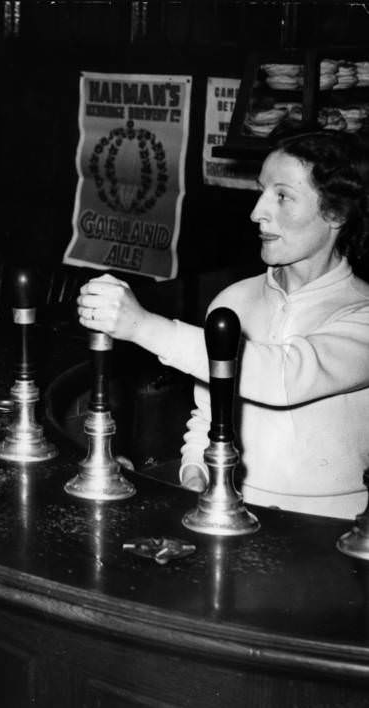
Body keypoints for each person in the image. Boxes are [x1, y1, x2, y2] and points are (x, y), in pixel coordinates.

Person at [76, 129, 369, 520]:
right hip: (231, 512)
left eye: (282, 196)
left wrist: (142, 325)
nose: (257, 212)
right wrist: (195, 472)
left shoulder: (362, 312)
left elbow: (283, 376)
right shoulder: (234, 301)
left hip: (330, 532)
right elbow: (209, 414)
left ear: (336, 213)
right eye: (262, 191)